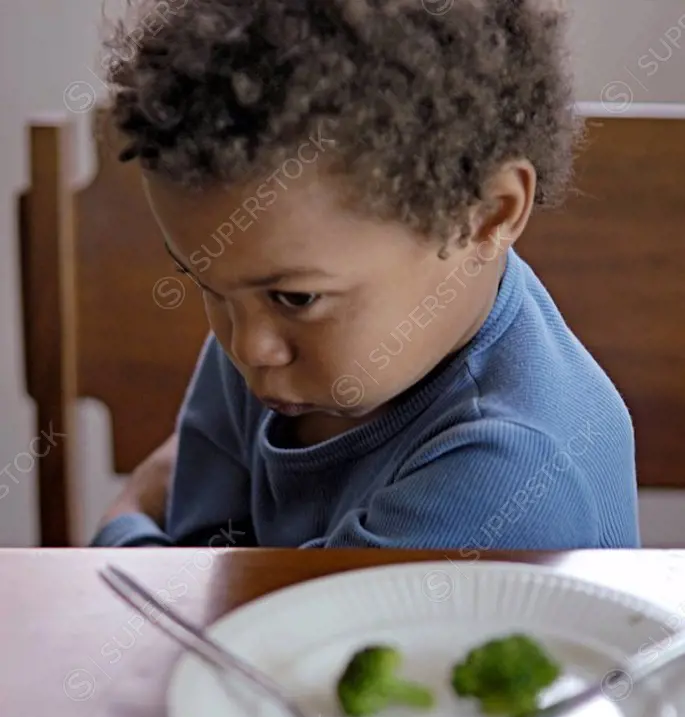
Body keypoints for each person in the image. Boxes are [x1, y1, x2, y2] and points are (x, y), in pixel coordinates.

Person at [92, 0, 639, 551]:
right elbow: (199, 564)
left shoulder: (510, 469)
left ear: (487, 214)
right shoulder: (262, 322)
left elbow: (249, 634)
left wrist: (125, 516)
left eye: (298, 296)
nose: (247, 348)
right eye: (205, 285)